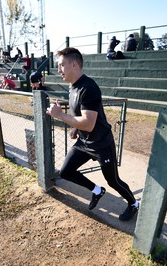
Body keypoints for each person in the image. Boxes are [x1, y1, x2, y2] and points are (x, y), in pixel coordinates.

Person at [46, 47, 139, 221]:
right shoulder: (72, 87)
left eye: (61, 65)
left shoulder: (89, 87)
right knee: (65, 172)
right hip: (84, 142)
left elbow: (88, 124)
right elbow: (81, 116)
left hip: (102, 144)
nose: (58, 70)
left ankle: (134, 204)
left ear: (74, 64)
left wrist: (60, 115)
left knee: (114, 181)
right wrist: (75, 127)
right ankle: (97, 191)